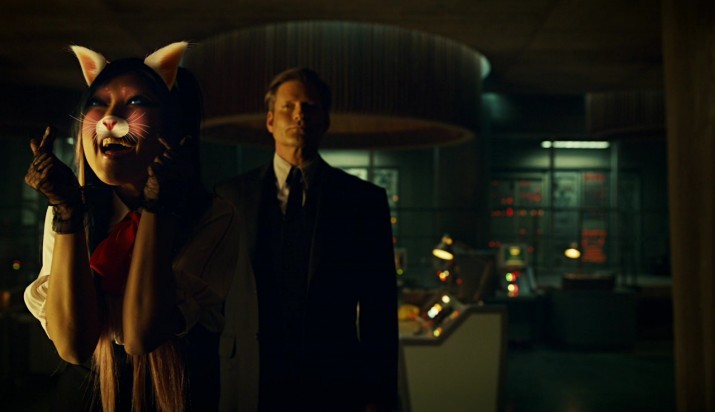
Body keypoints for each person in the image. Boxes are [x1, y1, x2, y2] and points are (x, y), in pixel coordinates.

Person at [23, 42, 238, 411]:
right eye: (98, 102)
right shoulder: (68, 209)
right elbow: (73, 345)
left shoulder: (214, 215)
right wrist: (67, 214)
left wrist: (156, 208)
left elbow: (142, 334)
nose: (110, 118)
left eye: (136, 102)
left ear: (175, 125)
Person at [215, 67, 398, 411]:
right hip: (249, 374)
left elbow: (380, 307)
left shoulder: (363, 201)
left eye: (310, 107)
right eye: (288, 107)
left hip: (333, 377)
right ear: (270, 120)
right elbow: (212, 298)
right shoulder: (229, 198)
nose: (299, 114)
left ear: (325, 121)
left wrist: (380, 395)